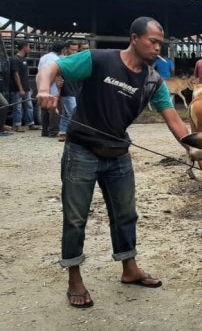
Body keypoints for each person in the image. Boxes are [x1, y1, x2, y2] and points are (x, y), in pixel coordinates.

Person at [36, 16, 192, 309]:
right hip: (81, 150)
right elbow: (51, 67)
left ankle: (129, 269)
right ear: (134, 38)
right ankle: (74, 277)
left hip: (118, 154)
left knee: (125, 215)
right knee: (75, 218)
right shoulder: (99, 59)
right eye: (153, 41)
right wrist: (46, 89)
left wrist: (196, 151)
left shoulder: (153, 81)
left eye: (161, 43)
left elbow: (174, 120)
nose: (158, 48)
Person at [10, 40, 40, 132]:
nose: (30, 49)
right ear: (24, 47)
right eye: (29, 47)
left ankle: (30, 123)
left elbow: (24, 75)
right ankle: (17, 124)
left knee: (29, 106)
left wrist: (27, 87)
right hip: (17, 88)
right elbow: (16, 74)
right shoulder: (15, 59)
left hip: (25, 88)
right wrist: (20, 88)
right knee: (18, 107)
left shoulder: (24, 59)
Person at [37, 41, 66, 137]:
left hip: (41, 86)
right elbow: (54, 74)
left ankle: (44, 131)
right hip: (52, 86)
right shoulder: (57, 59)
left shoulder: (43, 57)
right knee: (54, 108)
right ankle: (53, 131)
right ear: (62, 50)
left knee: (44, 108)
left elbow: (40, 72)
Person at [58, 41, 80, 142]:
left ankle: (62, 132)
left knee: (66, 113)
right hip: (66, 89)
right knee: (73, 113)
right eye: (72, 49)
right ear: (66, 48)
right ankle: (76, 134)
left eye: (76, 50)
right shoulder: (61, 60)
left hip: (74, 89)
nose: (74, 52)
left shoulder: (77, 60)